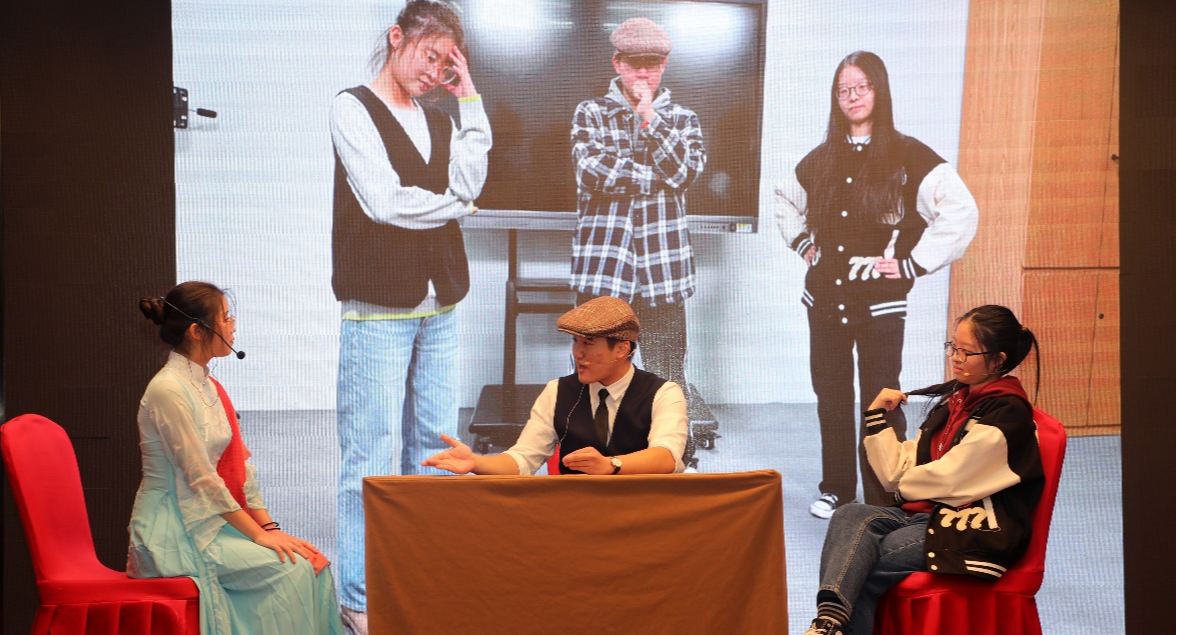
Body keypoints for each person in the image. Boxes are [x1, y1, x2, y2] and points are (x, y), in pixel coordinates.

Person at [328, 1, 490, 631]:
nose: (434, 72)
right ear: (396, 38)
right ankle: (360, 595)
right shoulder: (352, 108)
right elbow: (385, 202)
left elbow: (470, 181)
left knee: (434, 449)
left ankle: (420, 573)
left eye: (447, 63)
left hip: (440, 303)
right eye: (429, 55)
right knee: (369, 454)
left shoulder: (439, 117)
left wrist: (468, 95)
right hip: (378, 308)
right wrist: (458, 207)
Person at [775, 51, 979, 517]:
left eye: (861, 87)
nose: (852, 97)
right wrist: (804, 243)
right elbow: (785, 197)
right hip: (824, 299)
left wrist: (912, 264)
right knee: (831, 396)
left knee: (880, 399)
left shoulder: (909, 155)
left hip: (880, 304)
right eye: (843, 90)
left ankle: (884, 494)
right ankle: (837, 488)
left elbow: (961, 210)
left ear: (879, 90)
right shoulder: (823, 157)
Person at [801, 305, 1043, 635]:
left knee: (860, 566)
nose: (954, 358)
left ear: (999, 360)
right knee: (849, 514)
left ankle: (828, 627)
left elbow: (948, 478)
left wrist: (905, 485)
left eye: (966, 352)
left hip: (973, 527)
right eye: (952, 347)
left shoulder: (1007, 413)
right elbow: (896, 474)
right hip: (931, 515)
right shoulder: (956, 402)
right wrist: (876, 417)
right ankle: (828, 624)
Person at [129, 282, 343, 635]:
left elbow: (240, 467)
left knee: (311, 564)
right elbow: (202, 478)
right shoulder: (169, 389)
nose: (233, 326)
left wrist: (270, 529)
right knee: (292, 569)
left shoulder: (208, 386)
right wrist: (258, 536)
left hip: (206, 522)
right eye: (226, 318)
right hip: (173, 531)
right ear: (197, 331)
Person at [569, 17, 706, 396]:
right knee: (595, 378)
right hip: (603, 268)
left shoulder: (683, 119)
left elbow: (685, 172)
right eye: (634, 64)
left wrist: (651, 118)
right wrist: (657, 178)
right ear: (617, 63)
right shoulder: (590, 112)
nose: (643, 73)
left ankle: (662, 437)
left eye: (652, 64)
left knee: (666, 378)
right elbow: (591, 171)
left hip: (663, 272)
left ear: (664, 66)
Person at [422, 296, 688, 476]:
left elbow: (667, 456)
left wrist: (611, 465)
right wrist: (476, 463)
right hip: (572, 513)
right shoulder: (557, 391)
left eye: (587, 344)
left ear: (621, 349)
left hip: (641, 513)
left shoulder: (663, 393)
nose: (577, 353)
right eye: (575, 342)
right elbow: (523, 459)